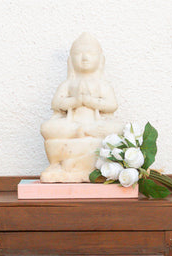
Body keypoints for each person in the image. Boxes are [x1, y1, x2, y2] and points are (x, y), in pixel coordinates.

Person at [40, 33, 125, 183]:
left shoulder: (102, 85)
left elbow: (112, 105)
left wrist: (91, 101)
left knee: (119, 128)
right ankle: (56, 165)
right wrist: (75, 101)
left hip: (96, 125)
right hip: (72, 125)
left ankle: (93, 151)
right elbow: (56, 104)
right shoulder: (68, 84)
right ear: (71, 60)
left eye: (90, 54)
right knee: (47, 128)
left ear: (100, 59)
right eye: (78, 54)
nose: (84, 58)